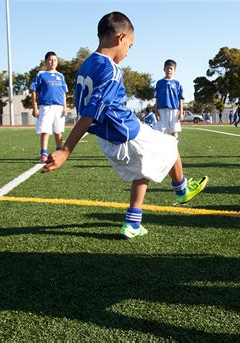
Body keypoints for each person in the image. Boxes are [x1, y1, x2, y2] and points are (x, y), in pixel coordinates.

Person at [42, 12, 208, 239]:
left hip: (109, 137)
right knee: (170, 145)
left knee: (143, 169)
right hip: (125, 133)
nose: (129, 51)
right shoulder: (111, 70)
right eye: (130, 45)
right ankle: (181, 190)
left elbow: (94, 109)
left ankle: (132, 222)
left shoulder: (87, 64)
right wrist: (65, 150)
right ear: (120, 37)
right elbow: (91, 112)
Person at [30, 51, 68, 163]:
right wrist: (35, 107)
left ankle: (58, 151)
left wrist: (65, 107)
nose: (52, 62)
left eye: (55, 60)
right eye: (50, 60)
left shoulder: (61, 76)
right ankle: (43, 154)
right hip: (46, 107)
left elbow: (63, 92)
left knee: (58, 131)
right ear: (46, 61)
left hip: (59, 107)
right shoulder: (41, 74)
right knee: (45, 130)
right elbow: (33, 91)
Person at [153, 59, 184, 139]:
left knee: (174, 132)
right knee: (160, 133)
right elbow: (156, 98)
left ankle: (174, 150)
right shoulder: (159, 83)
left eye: (171, 68)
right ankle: (161, 150)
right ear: (164, 69)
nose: (169, 70)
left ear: (174, 70)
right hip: (161, 110)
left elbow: (180, 99)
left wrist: (181, 112)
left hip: (174, 110)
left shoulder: (177, 83)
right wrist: (156, 111)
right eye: (167, 68)